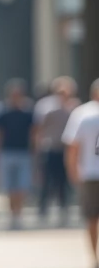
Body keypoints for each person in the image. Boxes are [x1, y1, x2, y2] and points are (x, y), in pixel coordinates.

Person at [62, 80, 99, 268]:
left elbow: (72, 147)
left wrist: (73, 172)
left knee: (92, 219)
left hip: (90, 174)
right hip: (90, 173)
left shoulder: (82, 114)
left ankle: (95, 260)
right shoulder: (83, 114)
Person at [0, 78, 35, 229]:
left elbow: (33, 134)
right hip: (7, 153)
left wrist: (35, 152)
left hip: (23, 153)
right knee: (10, 187)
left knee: (22, 187)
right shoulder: (2, 113)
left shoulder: (28, 113)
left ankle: (19, 213)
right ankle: (12, 214)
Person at [33, 76, 77, 222]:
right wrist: (37, 148)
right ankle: (42, 209)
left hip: (65, 148)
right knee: (47, 180)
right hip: (49, 148)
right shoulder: (46, 106)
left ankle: (64, 209)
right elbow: (38, 129)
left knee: (63, 181)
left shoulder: (73, 107)